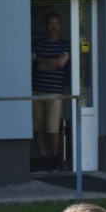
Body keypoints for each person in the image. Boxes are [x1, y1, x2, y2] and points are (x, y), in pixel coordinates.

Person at [31, 12, 70, 172]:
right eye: (50, 23)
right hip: (37, 91)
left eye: (56, 24)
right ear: (45, 25)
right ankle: (43, 159)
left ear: (60, 26)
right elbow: (33, 62)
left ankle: (54, 160)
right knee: (38, 128)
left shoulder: (64, 44)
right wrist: (52, 63)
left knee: (53, 129)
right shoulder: (37, 44)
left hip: (54, 93)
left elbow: (61, 63)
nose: (54, 27)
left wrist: (42, 60)